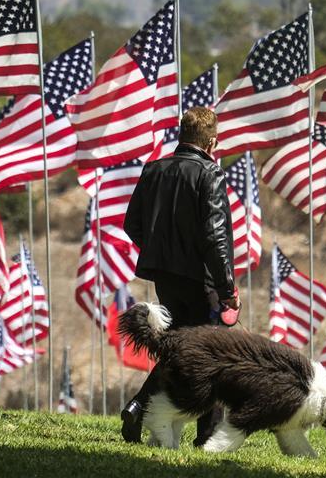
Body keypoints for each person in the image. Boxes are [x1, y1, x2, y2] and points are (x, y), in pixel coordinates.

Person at [121, 106, 239, 445]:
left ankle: (137, 407)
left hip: (166, 278)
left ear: (182, 135)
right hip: (201, 282)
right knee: (212, 357)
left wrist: (161, 251)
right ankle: (208, 436)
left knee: (177, 350)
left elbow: (133, 224)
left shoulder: (154, 170)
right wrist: (226, 288)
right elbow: (215, 237)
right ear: (212, 142)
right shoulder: (210, 174)